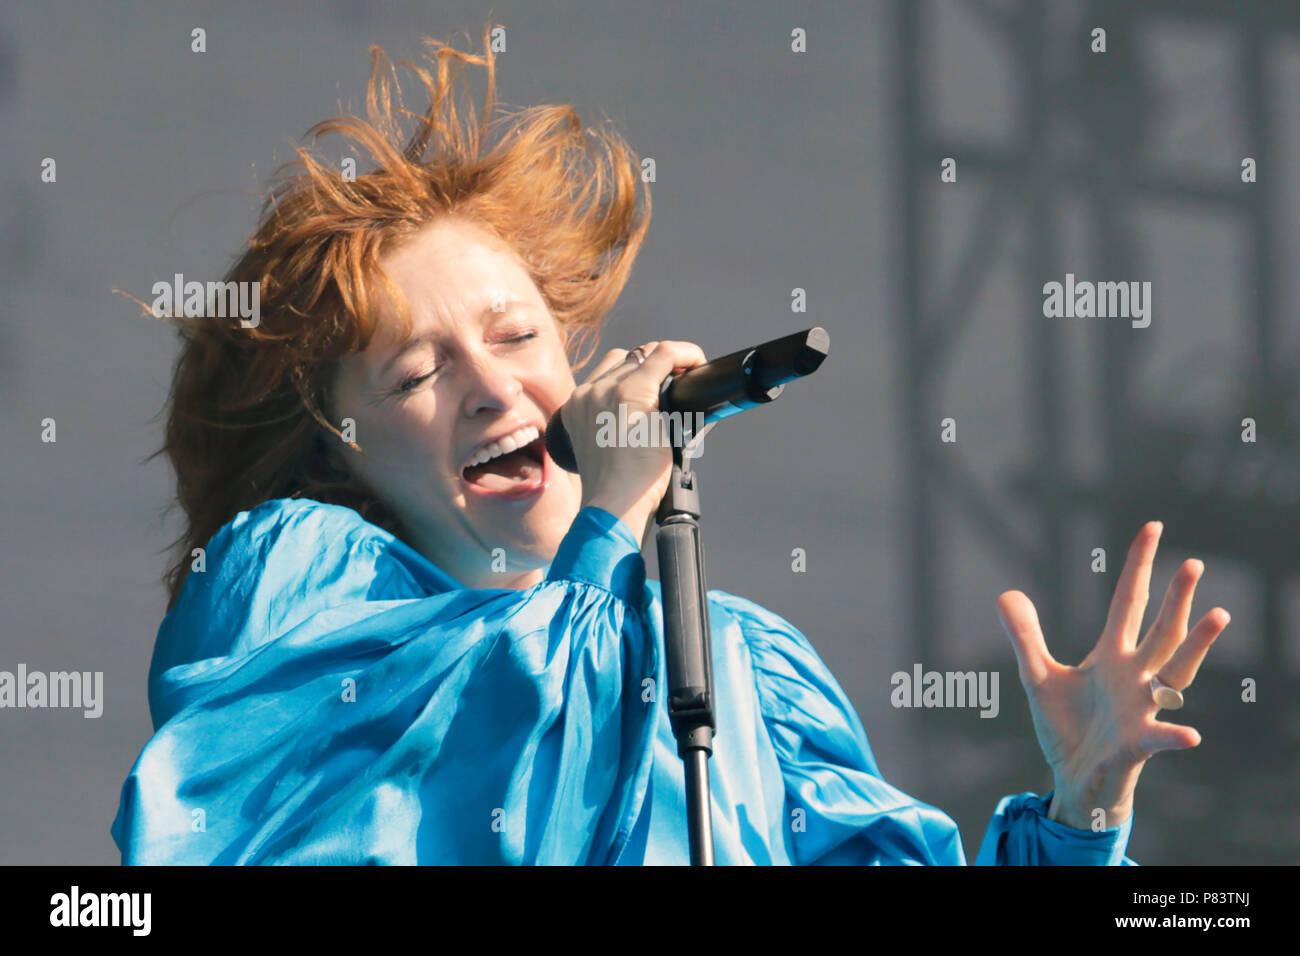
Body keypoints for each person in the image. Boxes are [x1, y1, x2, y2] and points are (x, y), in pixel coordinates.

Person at [110, 25, 1229, 865]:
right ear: (334, 452)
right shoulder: (291, 587)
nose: (495, 384)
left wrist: (1083, 811)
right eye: (416, 371)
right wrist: (608, 523)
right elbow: (477, 775)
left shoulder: (737, 661)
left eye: (516, 336)